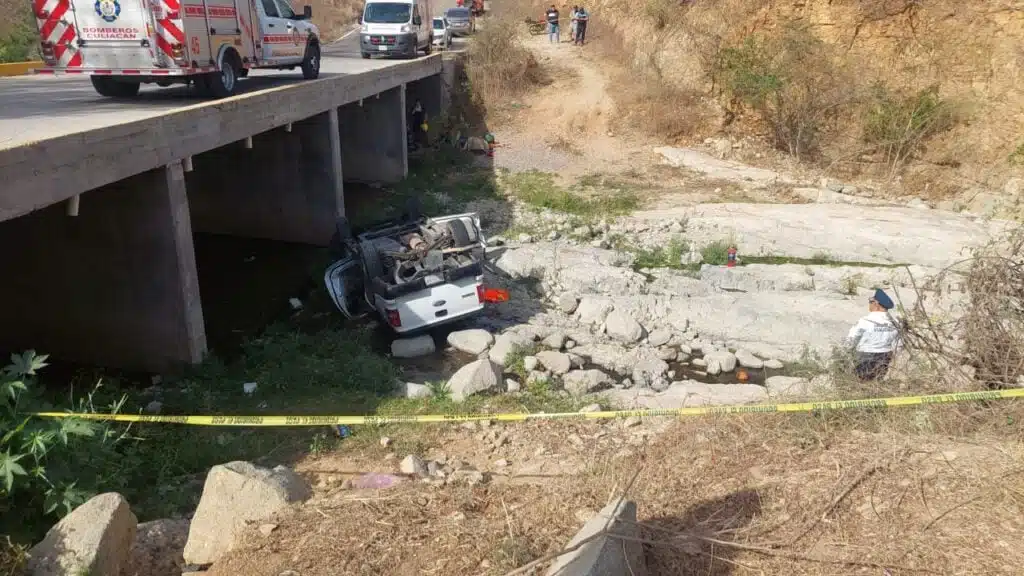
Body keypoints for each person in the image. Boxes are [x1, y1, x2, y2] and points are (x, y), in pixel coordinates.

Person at [846, 288, 901, 381]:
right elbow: (899, 344)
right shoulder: (895, 322)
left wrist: (846, 354)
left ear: (876, 304)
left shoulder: (864, 321)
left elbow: (851, 339)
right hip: (885, 356)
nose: (869, 304)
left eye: (870, 301)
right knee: (877, 381)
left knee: (860, 382)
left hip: (864, 356)